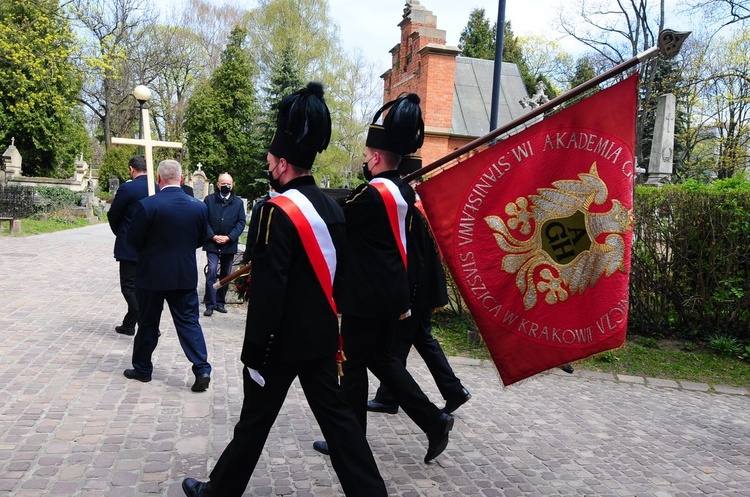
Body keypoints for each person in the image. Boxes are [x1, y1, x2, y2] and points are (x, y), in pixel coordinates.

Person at [182, 82, 387, 497]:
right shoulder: (334, 207)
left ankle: (217, 492)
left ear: (281, 165)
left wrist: (254, 349)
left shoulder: (274, 212)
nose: (268, 164)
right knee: (342, 425)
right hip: (323, 337)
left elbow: (269, 290)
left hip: (279, 343)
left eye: (270, 159)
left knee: (254, 422)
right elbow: (340, 275)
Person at [313, 93, 454, 464]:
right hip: (392, 296)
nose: (363, 159)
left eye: (365, 154)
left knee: (353, 368)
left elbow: (336, 217)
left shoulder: (372, 195)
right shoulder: (403, 191)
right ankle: (433, 419)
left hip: (367, 298)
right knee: (384, 362)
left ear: (376, 157)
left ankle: (350, 442)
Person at [367, 155, 471, 415]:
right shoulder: (419, 205)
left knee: (398, 343)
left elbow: (414, 256)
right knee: (420, 339)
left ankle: (391, 397)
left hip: (417, 289)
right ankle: (452, 390)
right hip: (424, 287)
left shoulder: (413, 208)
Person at [123, 159, 212, 393]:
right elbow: (202, 239)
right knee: (189, 322)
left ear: (159, 178)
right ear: (181, 179)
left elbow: (133, 240)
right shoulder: (198, 207)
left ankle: (142, 369)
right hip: (183, 275)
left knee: (148, 323)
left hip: (151, 276)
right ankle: (201, 367)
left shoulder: (147, 206)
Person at [107, 155, 155, 336]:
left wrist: (121, 232)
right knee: (143, 287)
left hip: (129, 246)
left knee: (128, 286)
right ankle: (129, 324)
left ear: (131, 169)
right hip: (151, 247)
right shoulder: (157, 188)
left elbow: (114, 214)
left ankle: (147, 323)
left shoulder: (127, 188)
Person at [202, 172, 246, 316]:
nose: (226, 186)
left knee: (226, 274)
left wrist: (229, 237)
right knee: (212, 270)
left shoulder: (238, 203)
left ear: (232, 185)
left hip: (229, 244)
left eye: (228, 183)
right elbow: (204, 220)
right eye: (223, 183)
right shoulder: (209, 200)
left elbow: (241, 222)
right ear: (218, 184)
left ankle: (220, 302)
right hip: (212, 243)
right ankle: (210, 303)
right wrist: (213, 236)